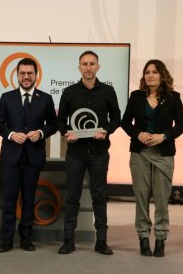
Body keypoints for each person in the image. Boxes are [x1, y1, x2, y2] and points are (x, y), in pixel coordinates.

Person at [121, 59, 183, 257]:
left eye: (155, 72)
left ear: (162, 75)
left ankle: (160, 239)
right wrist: (138, 133)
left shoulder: (174, 97)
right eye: (147, 72)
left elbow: (182, 125)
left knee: (161, 199)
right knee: (141, 197)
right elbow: (125, 122)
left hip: (163, 155)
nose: (150, 75)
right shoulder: (136, 96)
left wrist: (164, 136)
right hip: (140, 154)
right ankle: (143, 237)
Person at [57, 51, 120, 255]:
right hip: (75, 152)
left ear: (98, 67)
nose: (88, 67)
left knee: (99, 196)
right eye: (84, 64)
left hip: (99, 152)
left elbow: (116, 118)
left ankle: (101, 241)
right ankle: (69, 240)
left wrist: (107, 130)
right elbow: (60, 120)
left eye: (92, 64)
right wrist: (66, 132)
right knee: (73, 196)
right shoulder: (69, 92)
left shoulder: (108, 91)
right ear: (79, 68)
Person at [0, 58, 58, 252]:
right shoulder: (7, 97)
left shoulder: (45, 98)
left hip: (34, 156)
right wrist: (12, 135)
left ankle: (26, 238)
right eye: (22, 73)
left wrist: (41, 133)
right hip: (10, 157)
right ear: (17, 75)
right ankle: (6, 239)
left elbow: (53, 125)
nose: (26, 77)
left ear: (36, 75)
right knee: (9, 199)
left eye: (30, 73)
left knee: (29, 199)